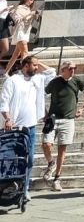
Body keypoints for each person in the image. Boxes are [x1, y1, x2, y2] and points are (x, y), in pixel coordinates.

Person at [40, 60, 84, 191]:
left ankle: (57, 179)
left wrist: (83, 108)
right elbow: (41, 95)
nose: (73, 70)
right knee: (46, 144)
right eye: (70, 68)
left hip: (68, 120)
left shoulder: (77, 82)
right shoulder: (55, 82)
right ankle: (51, 163)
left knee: (62, 150)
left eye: (74, 68)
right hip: (52, 119)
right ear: (63, 69)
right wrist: (45, 112)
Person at [0, 54, 46, 201]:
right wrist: (7, 118)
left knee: (29, 159)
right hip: (14, 128)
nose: (37, 68)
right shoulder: (13, 81)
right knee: (10, 158)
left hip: (30, 128)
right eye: (35, 65)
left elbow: (51, 72)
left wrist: (36, 60)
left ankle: (25, 188)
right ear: (26, 66)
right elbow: (4, 101)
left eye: (38, 65)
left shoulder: (36, 80)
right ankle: (7, 186)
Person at [4, 0, 39, 73]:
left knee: (15, 55)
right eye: (30, 0)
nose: (31, 2)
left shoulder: (29, 9)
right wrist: (30, 14)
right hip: (20, 31)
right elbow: (18, 19)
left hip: (26, 32)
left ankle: (6, 72)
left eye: (33, 0)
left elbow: (29, 20)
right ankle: (26, 71)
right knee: (25, 53)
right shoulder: (20, 7)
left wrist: (34, 15)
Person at [0, 0, 12, 64]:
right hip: (0, 24)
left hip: (4, 25)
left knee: (6, 48)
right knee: (5, 48)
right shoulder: (1, 1)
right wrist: (5, 10)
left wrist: (9, 11)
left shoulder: (4, 1)